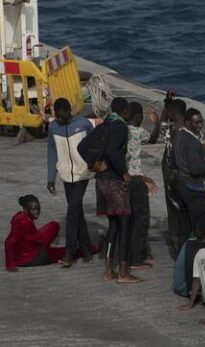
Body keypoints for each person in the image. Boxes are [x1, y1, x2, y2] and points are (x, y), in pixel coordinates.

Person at [95, 97, 140, 283]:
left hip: (100, 181)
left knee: (113, 225)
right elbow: (113, 151)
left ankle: (108, 271)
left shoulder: (104, 124)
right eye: (128, 111)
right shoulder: (121, 127)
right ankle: (122, 271)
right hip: (114, 181)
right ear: (125, 112)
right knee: (125, 223)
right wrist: (124, 173)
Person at [46, 97, 94, 267]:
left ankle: (69, 252)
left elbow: (94, 145)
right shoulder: (53, 127)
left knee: (72, 210)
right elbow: (52, 151)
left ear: (68, 111)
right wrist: (51, 178)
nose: (58, 118)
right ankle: (87, 249)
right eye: (56, 115)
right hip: (66, 174)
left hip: (83, 174)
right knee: (76, 211)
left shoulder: (84, 124)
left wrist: (94, 164)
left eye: (61, 115)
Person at [172, 107, 205, 246]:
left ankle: (183, 254)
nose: (200, 125)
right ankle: (201, 252)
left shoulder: (178, 136)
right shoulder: (192, 141)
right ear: (187, 122)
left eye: (201, 122)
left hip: (181, 185)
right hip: (192, 187)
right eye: (196, 123)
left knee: (184, 224)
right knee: (201, 224)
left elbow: (174, 163)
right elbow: (195, 169)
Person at [127, 101, 160, 269]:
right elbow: (153, 139)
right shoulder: (139, 132)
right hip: (136, 180)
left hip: (122, 179)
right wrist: (157, 122)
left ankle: (130, 253)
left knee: (130, 218)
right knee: (142, 218)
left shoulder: (121, 130)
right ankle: (137, 258)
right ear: (139, 117)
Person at [5, 195, 66, 271]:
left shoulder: (22, 218)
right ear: (25, 209)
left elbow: (30, 238)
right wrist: (10, 265)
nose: (36, 212)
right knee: (64, 252)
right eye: (33, 210)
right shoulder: (23, 222)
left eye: (38, 209)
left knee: (53, 227)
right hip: (30, 259)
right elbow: (9, 242)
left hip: (27, 254)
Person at [159, 92, 187, 258]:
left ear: (172, 113)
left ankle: (178, 247)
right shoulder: (193, 131)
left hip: (171, 174)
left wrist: (166, 104)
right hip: (188, 175)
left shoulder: (169, 130)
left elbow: (162, 121)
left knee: (173, 210)